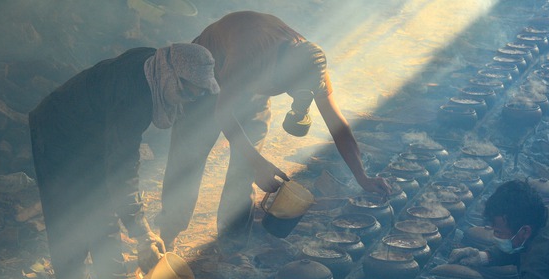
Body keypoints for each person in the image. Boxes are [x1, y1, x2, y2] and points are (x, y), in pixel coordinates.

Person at [156, 11, 391, 251]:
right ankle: (167, 240)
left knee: (243, 172)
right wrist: (257, 162)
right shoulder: (252, 49)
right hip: (203, 83)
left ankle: (232, 250)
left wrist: (362, 176)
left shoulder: (313, 67)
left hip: (252, 91)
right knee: (187, 166)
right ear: (283, 73)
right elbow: (223, 113)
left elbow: (337, 125)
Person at [29, 43, 220, 279]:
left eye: (200, 93)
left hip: (94, 134)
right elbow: (123, 172)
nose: (190, 100)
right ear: (172, 76)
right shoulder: (134, 96)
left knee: (103, 207)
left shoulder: (156, 67)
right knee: (70, 220)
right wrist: (141, 231)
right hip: (59, 131)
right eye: (189, 92)